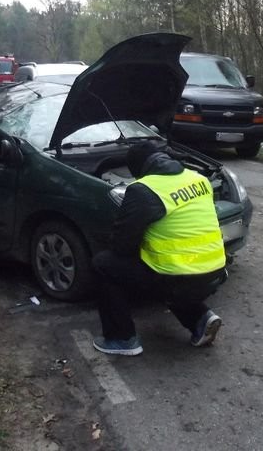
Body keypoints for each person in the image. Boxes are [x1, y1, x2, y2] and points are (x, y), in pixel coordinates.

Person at [92, 141, 228, 356]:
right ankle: (200, 319)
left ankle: (121, 338)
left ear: (138, 168)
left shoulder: (144, 190)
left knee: (105, 263)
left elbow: (122, 245)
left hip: (179, 275)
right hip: (216, 269)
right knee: (170, 267)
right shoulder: (198, 178)